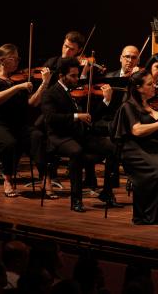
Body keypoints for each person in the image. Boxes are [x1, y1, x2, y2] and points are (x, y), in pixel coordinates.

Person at [41, 57, 118, 211]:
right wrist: (77, 116)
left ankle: (107, 193)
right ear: (62, 75)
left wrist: (106, 101)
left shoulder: (71, 92)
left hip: (78, 134)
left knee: (113, 147)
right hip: (59, 137)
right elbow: (51, 118)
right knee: (76, 151)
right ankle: (76, 200)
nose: (77, 79)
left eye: (77, 75)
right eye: (73, 76)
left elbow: (90, 117)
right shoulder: (50, 93)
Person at [0, 43, 51, 196]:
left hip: (18, 125)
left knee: (37, 136)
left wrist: (44, 83)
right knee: (9, 143)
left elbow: (32, 103)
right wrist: (16, 88)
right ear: (2, 60)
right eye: (14, 59)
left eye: (18, 59)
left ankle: (45, 178)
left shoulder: (19, 79)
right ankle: (7, 179)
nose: (17, 62)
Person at [113, 69, 158, 224]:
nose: (155, 86)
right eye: (150, 84)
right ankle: (149, 215)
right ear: (139, 88)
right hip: (137, 151)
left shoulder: (156, 104)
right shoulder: (128, 107)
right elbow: (137, 130)